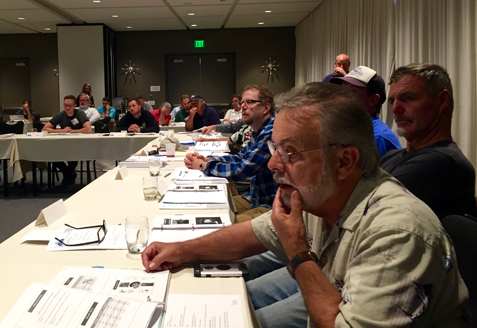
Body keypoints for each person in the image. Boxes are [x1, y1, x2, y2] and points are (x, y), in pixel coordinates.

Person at [143, 82, 469, 328]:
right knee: (236, 305)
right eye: (274, 149)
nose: (273, 165)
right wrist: (181, 249)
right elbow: (253, 232)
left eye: (289, 152)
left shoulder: (396, 233)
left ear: (344, 161)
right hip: (335, 293)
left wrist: (298, 252)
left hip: (343, 307)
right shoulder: (321, 193)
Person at [382, 63, 476, 219]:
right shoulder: (392, 156)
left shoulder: (442, 162)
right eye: (393, 101)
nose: (395, 109)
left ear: (442, 100)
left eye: (408, 98)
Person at [185, 85, 278, 222]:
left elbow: (240, 170)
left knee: (217, 228)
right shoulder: (260, 130)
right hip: (255, 197)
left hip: (271, 206)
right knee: (207, 207)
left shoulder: (271, 132)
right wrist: (208, 158)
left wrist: (203, 166)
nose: (243, 107)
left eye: (250, 102)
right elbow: (240, 156)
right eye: (242, 103)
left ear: (266, 107)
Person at [331, 65, 402, 157]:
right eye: (342, 91)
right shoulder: (355, 130)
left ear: (373, 100)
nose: (342, 98)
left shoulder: (376, 138)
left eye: (351, 92)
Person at [42, 95, 92, 184]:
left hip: (77, 145)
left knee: (72, 157)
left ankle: (67, 176)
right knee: (52, 155)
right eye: (65, 105)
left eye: (70, 106)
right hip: (62, 145)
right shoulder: (60, 115)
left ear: (75, 105)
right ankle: (69, 173)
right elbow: (44, 129)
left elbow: (88, 129)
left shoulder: (80, 114)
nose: (67, 108)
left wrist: (71, 131)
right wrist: (62, 131)